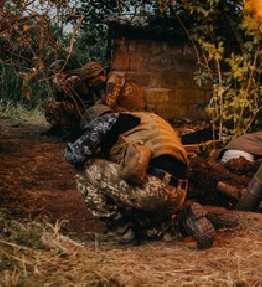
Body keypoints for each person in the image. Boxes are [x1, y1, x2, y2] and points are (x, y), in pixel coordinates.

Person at [64, 105, 215, 249]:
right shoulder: (151, 121)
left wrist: (77, 136)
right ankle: (184, 224)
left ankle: (120, 232)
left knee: (84, 168)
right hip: (178, 193)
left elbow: (74, 156)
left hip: (153, 188)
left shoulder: (106, 120)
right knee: (144, 230)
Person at [43, 61, 107, 137]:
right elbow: (57, 96)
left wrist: (57, 81)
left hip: (87, 111)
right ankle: (58, 128)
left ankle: (70, 130)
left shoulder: (76, 79)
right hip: (84, 110)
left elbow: (62, 87)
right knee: (49, 102)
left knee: (56, 105)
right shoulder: (80, 80)